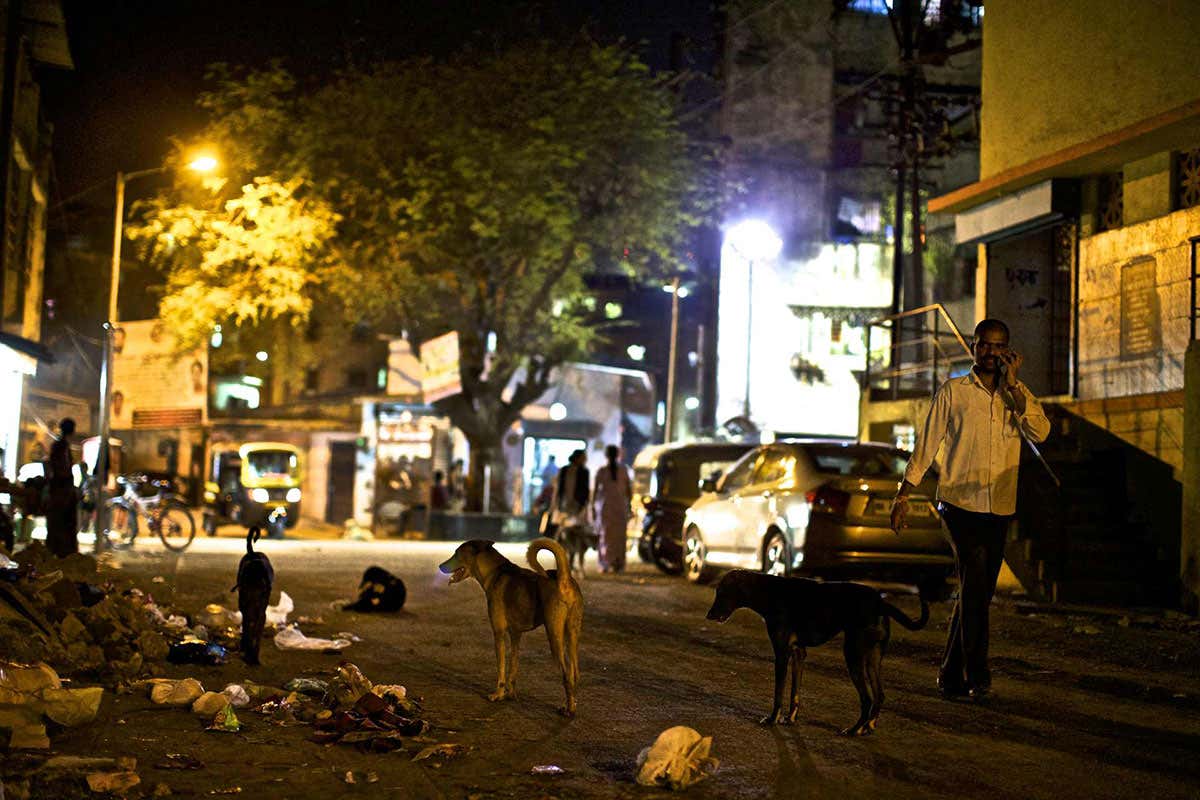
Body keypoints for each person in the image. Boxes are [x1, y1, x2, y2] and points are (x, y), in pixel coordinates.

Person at [891, 318, 1050, 702]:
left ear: (1008, 351)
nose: (991, 352)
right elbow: (927, 443)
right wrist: (903, 493)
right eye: (984, 345)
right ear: (974, 347)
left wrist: (1014, 388)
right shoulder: (953, 392)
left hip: (999, 506)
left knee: (976, 592)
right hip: (959, 505)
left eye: (998, 346)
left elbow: (1041, 433)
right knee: (976, 583)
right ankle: (978, 674)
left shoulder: (1018, 395)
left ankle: (950, 676)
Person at [592, 444, 632, 574]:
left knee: (605, 535)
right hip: (619, 508)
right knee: (619, 536)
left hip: (606, 508)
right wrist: (629, 506)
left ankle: (605, 563)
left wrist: (592, 507)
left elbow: (595, 491)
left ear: (606, 455)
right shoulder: (623, 470)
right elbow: (629, 491)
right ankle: (617, 563)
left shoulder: (602, 471)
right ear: (617, 455)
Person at [46, 418, 80, 557]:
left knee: (58, 524)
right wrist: (69, 489)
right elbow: (62, 470)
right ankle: (62, 553)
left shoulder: (59, 445)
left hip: (59, 490)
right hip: (62, 491)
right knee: (62, 524)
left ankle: (57, 552)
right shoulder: (62, 447)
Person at [551, 449, 590, 532]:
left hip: (576, 503)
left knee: (574, 527)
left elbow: (585, 489)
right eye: (583, 457)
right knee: (563, 526)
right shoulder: (564, 470)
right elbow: (559, 487)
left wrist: (583, 503)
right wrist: (556, 503)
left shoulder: (584, 471)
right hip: (565, 502)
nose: (585, 460)